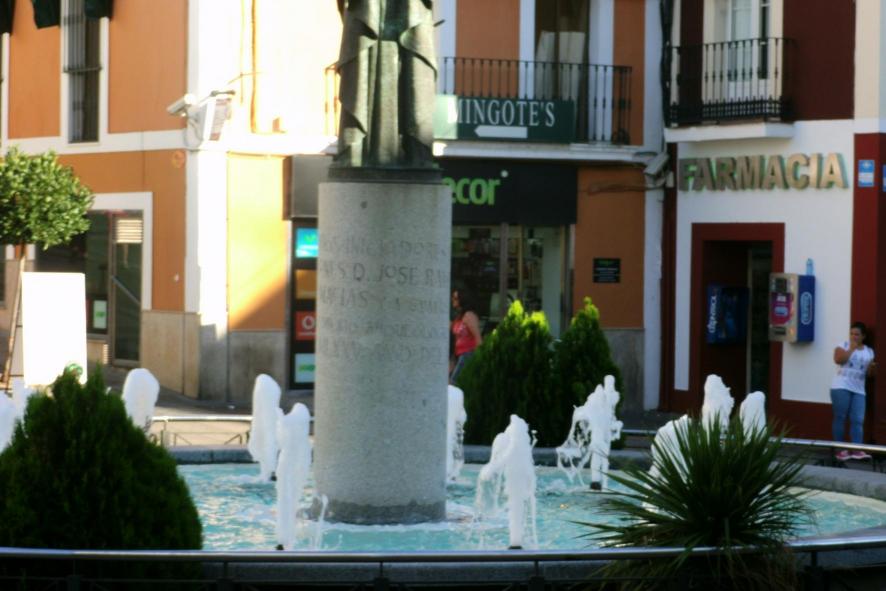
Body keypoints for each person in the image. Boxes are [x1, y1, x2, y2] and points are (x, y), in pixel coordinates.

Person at [831, 321, 876, 461]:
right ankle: (840, 450)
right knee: (840, 417)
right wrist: (851, 349)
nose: (853, 336)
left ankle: (856, 450)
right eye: (851, 333)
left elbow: (869, 375)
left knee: (857, 420)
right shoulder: (843, 345)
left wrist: (872, 369)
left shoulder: (869, 351)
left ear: (863, 336)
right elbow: (838, 359)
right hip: (841, 387)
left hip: (859, 389)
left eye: (857, 334)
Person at [450, 290, 482, 385]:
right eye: (453, 297)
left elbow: (478, 337)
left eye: (455, 298)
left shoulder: (469, 316)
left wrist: (480, 357)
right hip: (459, 355)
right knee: (453, 382)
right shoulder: (459, 317)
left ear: (462, 299)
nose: (452, 300)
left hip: (468, 354)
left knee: (453, 382)